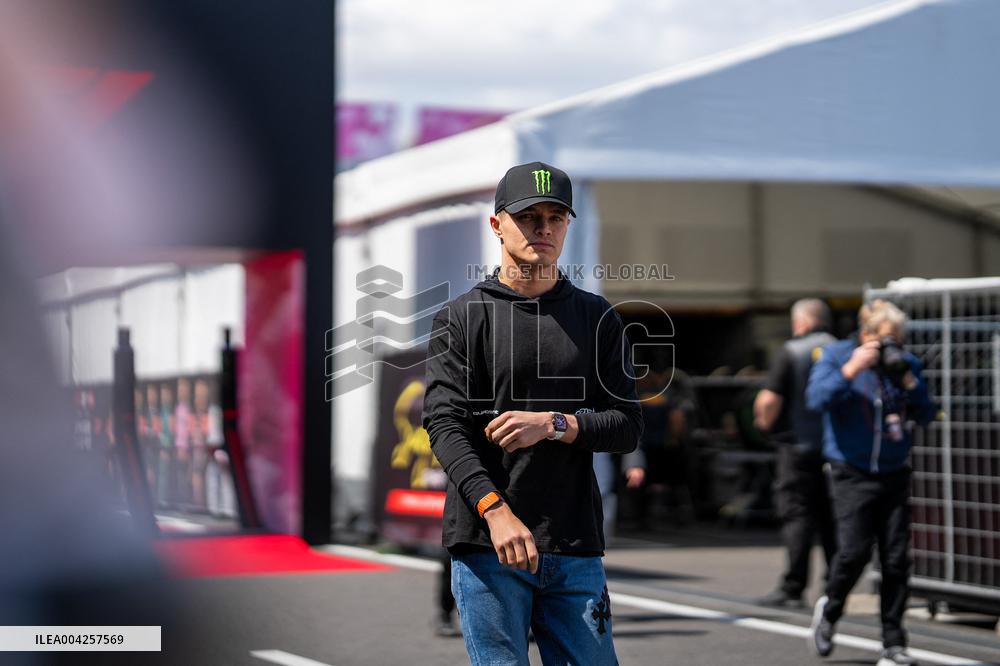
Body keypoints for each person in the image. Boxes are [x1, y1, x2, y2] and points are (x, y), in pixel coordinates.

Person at [423, 161, 643, 665]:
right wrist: (496, 512)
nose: (543, 229)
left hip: (573, 541)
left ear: (567, 225)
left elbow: (627, 425)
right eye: (528, 217)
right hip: (488, 544)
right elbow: (444, 424)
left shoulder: (597, 317)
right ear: (497, 224)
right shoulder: (462, 316)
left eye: (555, 217)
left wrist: (554, 423)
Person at [806, 300, 937, 666]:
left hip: (894, 470)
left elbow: (927, 413)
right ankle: (830, 611)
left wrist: (911, 383)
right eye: (886, 340)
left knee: (896, 559)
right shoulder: (837, 355)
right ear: (866, 336)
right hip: (851, 469)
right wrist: (851, 368)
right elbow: (816, 399)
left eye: (898, 340)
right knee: (854, 552)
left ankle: (893, 643)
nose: (893, 346)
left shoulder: (902, 364)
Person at [754, 299, 838, 608]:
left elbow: (768, 401)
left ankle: (794, 585)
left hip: (797, 447)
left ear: (801, 322)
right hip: (835, 449)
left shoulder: (791, 351)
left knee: (797, 515)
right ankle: (835, 584)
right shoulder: (842, 351)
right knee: (832, 517)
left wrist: (763, 426)